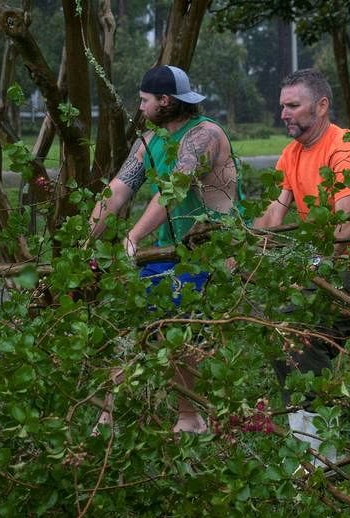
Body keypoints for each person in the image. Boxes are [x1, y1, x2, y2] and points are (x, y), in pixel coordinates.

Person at [253, 68, 350, 464]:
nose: (284, 113)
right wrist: (239, 245)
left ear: (321, 106)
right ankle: (310, 444)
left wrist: (306, 272)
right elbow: (272, 217)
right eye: (282, 106)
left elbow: (347, 226)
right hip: (328, 264)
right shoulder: (291, 154)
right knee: (287, 336)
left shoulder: (347, 149)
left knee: (297, 332)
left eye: (293, 105)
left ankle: (320, 457)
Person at [88, 64, 242, 433]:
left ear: (165, 101)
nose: (140, 107)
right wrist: (85, 243)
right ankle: (108, 415)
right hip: (168, 252)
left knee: (178, 330)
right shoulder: (148, 142)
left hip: (211, 251)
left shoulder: (205, 135)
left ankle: (189, 417)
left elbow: (175, 187)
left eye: (145, 100)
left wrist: (132, 237)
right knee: (131, 320)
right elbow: (117, 191)